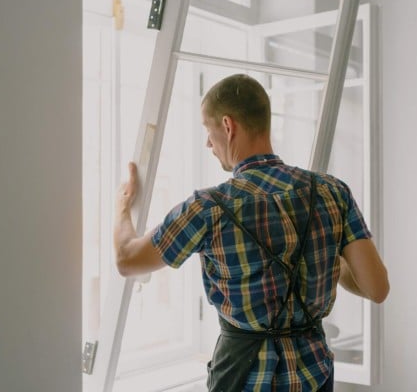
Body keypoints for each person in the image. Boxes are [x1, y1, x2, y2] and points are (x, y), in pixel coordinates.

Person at [114, 74, 389, 392]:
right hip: (314, 376)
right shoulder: (331, 191)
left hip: (243, 379)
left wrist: (122, 208)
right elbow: (377, 288)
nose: (207, 143)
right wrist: (329, 259)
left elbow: (127, 260)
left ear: (228, 126)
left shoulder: (208, 208)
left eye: (208, 130)